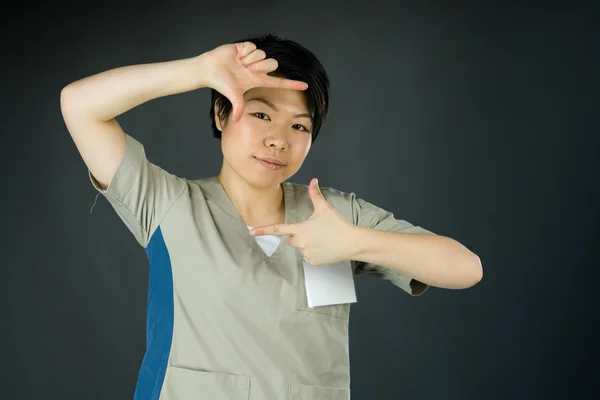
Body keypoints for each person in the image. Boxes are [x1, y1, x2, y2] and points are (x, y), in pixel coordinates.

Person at [60, 33, 482, 400]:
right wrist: (200, 69)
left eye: (300, 126)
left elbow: (466, 268)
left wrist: (355, 242)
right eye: (261, 114)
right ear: (221, 114)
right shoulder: (169, 205)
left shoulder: (334, 215)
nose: (278, 140)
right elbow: (79, 104)